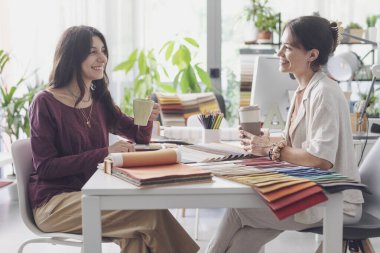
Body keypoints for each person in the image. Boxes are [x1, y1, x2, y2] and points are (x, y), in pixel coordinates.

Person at [29, 25, 199, 253]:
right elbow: (46, 168)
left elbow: (138, 137)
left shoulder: (98, 99)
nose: (102, 58)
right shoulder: (45, 102)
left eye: (103, 50)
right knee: (150, 213)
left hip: (93, 195)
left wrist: (146, 117)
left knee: (136, 238)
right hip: (55, 204)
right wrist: (105, 152)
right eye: (92, 51)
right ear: (72, 55)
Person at [206, 16, 364, 253]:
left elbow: (319, 159)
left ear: (312, 55)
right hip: (310, 193)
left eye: (288, 47)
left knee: (238, 210)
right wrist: (266, 141)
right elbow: (301, 145)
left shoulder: (325, 93)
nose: (279, 52)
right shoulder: (303, 90)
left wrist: (269, 150)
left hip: (334, 202)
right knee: (243, 240)